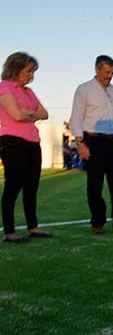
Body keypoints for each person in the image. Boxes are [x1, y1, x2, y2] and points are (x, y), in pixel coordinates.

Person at [69, 55, 113, 234]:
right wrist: (80, 143)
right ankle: (97, 222)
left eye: (112, 73)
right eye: (107, 72)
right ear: (97, 70)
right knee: (95, 184)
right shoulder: (84, 90)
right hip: (93, 141)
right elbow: (76, 118)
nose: (110, 76)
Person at [0, 52, 52, 243]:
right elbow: (16, 115)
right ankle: (10, 230)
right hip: (12, 142)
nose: (31, 75)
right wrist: (32, 114)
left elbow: (45, 114)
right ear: (16, 68)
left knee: (32, 186)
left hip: (32, 142)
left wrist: (28, 113)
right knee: (13, 186)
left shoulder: (29, 92)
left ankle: (33, 226)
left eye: (32, 72)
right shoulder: (4, 87)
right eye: (29, 71)